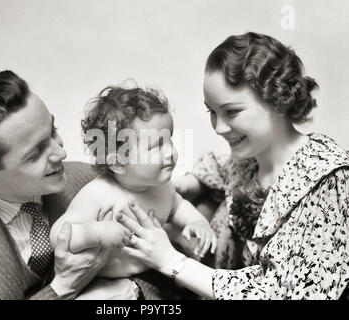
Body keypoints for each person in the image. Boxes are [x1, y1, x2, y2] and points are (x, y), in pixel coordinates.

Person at [116, 32, 349, 299]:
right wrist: (184, 185)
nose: (218, 127)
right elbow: (223, 169)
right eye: (212, 112)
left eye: (232, 112)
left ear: (279, 99)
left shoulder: (331, 179)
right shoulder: (250, 158)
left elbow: (286, 292)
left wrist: (170, 261)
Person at [0, 70, 113, 299]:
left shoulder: (91, 180)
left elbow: (156, 265)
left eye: (53, 131)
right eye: (35, 154)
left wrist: (132, 290)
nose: (62, 152)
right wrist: (63, 288)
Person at [49, 85, 216, 299]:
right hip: (104, 282)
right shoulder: (98, 193)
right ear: (118, 162)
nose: (171, 152)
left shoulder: (162, 185)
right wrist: (96, 233)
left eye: (170, 140)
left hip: (157, 271)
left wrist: (196, 221)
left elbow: (177, 205)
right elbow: (59, 235)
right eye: (157, 146)